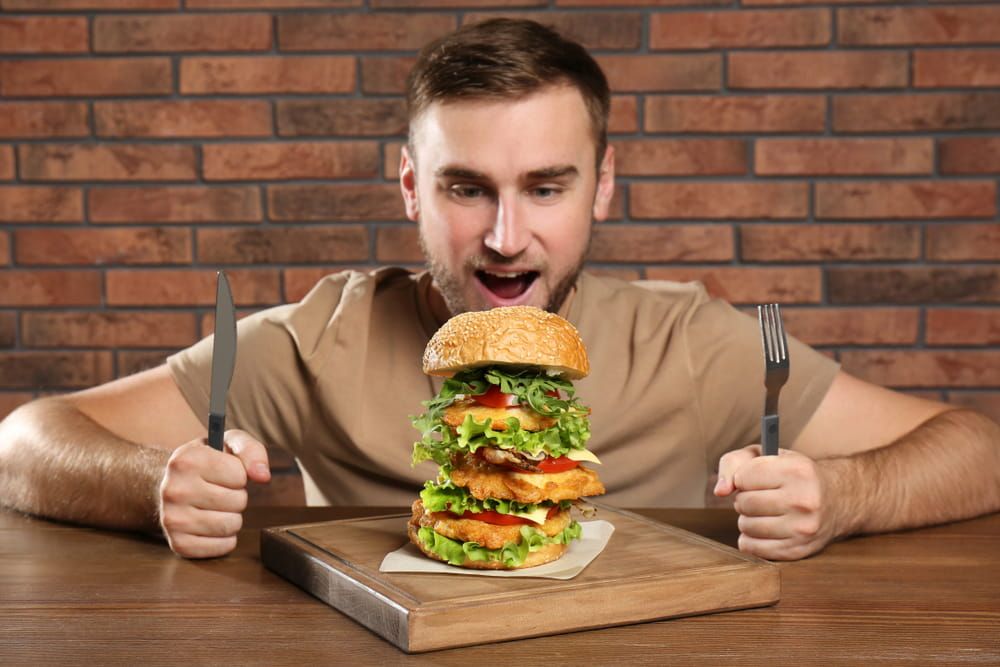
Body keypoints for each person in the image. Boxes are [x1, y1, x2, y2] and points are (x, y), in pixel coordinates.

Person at [0, 19, 997, 561]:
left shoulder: (691, 340)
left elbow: (978, 449)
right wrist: (155, 485)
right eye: (466, 187)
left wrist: (844, 496)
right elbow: (23, 442)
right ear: (409, 188)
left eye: (546, 187)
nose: (506, 239)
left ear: (603, 184)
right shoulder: (315, 337)